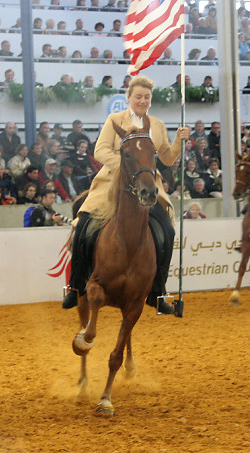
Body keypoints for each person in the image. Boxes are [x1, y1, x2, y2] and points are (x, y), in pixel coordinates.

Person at [63, 75, 190, 315]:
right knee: (84, 225)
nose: (143, 101)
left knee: (168, 230)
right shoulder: (114, 120)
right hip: (112, 182)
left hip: (147, 185)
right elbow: (100, 150)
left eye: (147, 97)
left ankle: (158, 292)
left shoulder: (158, 125)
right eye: (138, 96)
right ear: (129, 97)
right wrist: (125, 167)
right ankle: (75, 286)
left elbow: (166, 158)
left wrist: (178, 142)